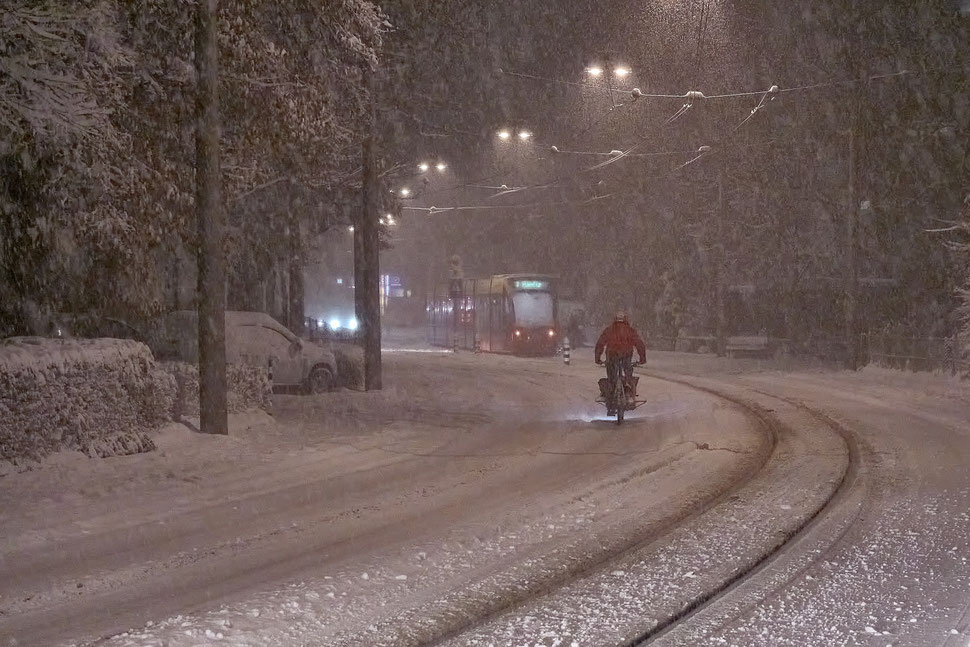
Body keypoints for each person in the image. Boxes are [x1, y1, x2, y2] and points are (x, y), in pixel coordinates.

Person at [595, 311, 646, 413]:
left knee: (611, 374)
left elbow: (600, 343)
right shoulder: (630, 330)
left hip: (612, 355)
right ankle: (629, 388)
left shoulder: (609, 330)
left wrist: (598, 358)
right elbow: (639, 343)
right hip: (626, 355)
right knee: (627, 371)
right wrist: (642, 358)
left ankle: (610, 392)